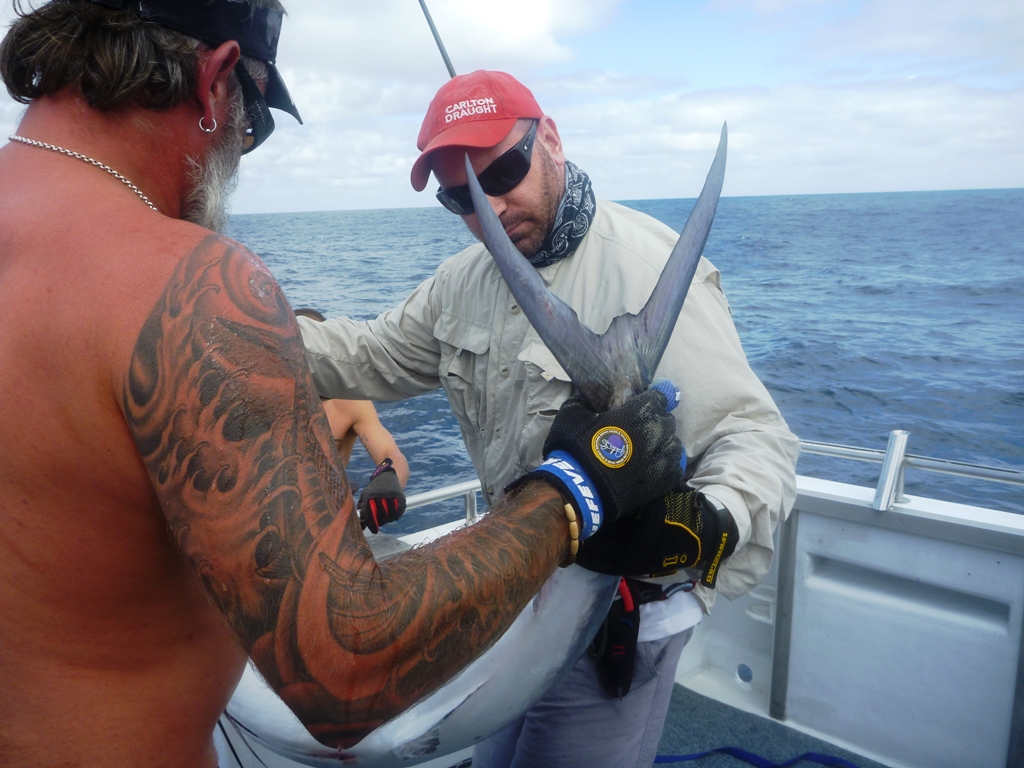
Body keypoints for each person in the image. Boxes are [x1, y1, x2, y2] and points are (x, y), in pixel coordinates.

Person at [0, 6, 686, 767]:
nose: (242, 150)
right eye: (251, 123)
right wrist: (579, 488)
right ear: (216, 80)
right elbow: (347, 669)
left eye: (499, 175)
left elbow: (751, 443)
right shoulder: (178, 279)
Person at [297, 70, 801, 768]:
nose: (491, 209)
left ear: (553, 142)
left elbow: (757, 438)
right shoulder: (463, 283)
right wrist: (231, 323)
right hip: (514, 602)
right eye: (460, 197)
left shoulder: (644, 266)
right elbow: (365, 352)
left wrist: (708, 524)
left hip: (621, 619)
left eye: (503, 170)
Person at [295, 307, 410, 532]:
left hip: (328, 517)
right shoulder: (266, 400)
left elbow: (391, 454)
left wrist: (388, 481)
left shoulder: (350, 403)